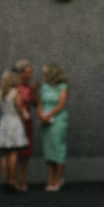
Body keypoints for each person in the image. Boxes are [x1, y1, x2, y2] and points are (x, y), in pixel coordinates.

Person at [0, 68, 29, 192]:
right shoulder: (15, 93)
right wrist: (24, 117)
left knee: (4, 153)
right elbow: (19, 108)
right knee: (13, 152)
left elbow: (0, 108)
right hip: (14, 122)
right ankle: (14, 181)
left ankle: (6, 179)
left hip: (4, 121)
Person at [39, 63, 69, 191]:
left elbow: (61, 104)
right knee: (49, 149)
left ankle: (58, 179)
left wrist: (50, 114)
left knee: (58, 147)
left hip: (58, 120)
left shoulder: (62, 87)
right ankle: (50, 179)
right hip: (46, 121)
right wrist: (41, 115)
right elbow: (40, 102)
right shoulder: (44, 87)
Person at [13, 60, 37, 191]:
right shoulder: (15, 87)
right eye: (28, 73)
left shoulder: (29, 87)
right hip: (17, 122)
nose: (30, 75)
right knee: (16, 152)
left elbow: (34, 103)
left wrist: (34, 92)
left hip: (27, 122)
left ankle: (23, 181)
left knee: (26, 153)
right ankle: (15, 180)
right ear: (21, 73)